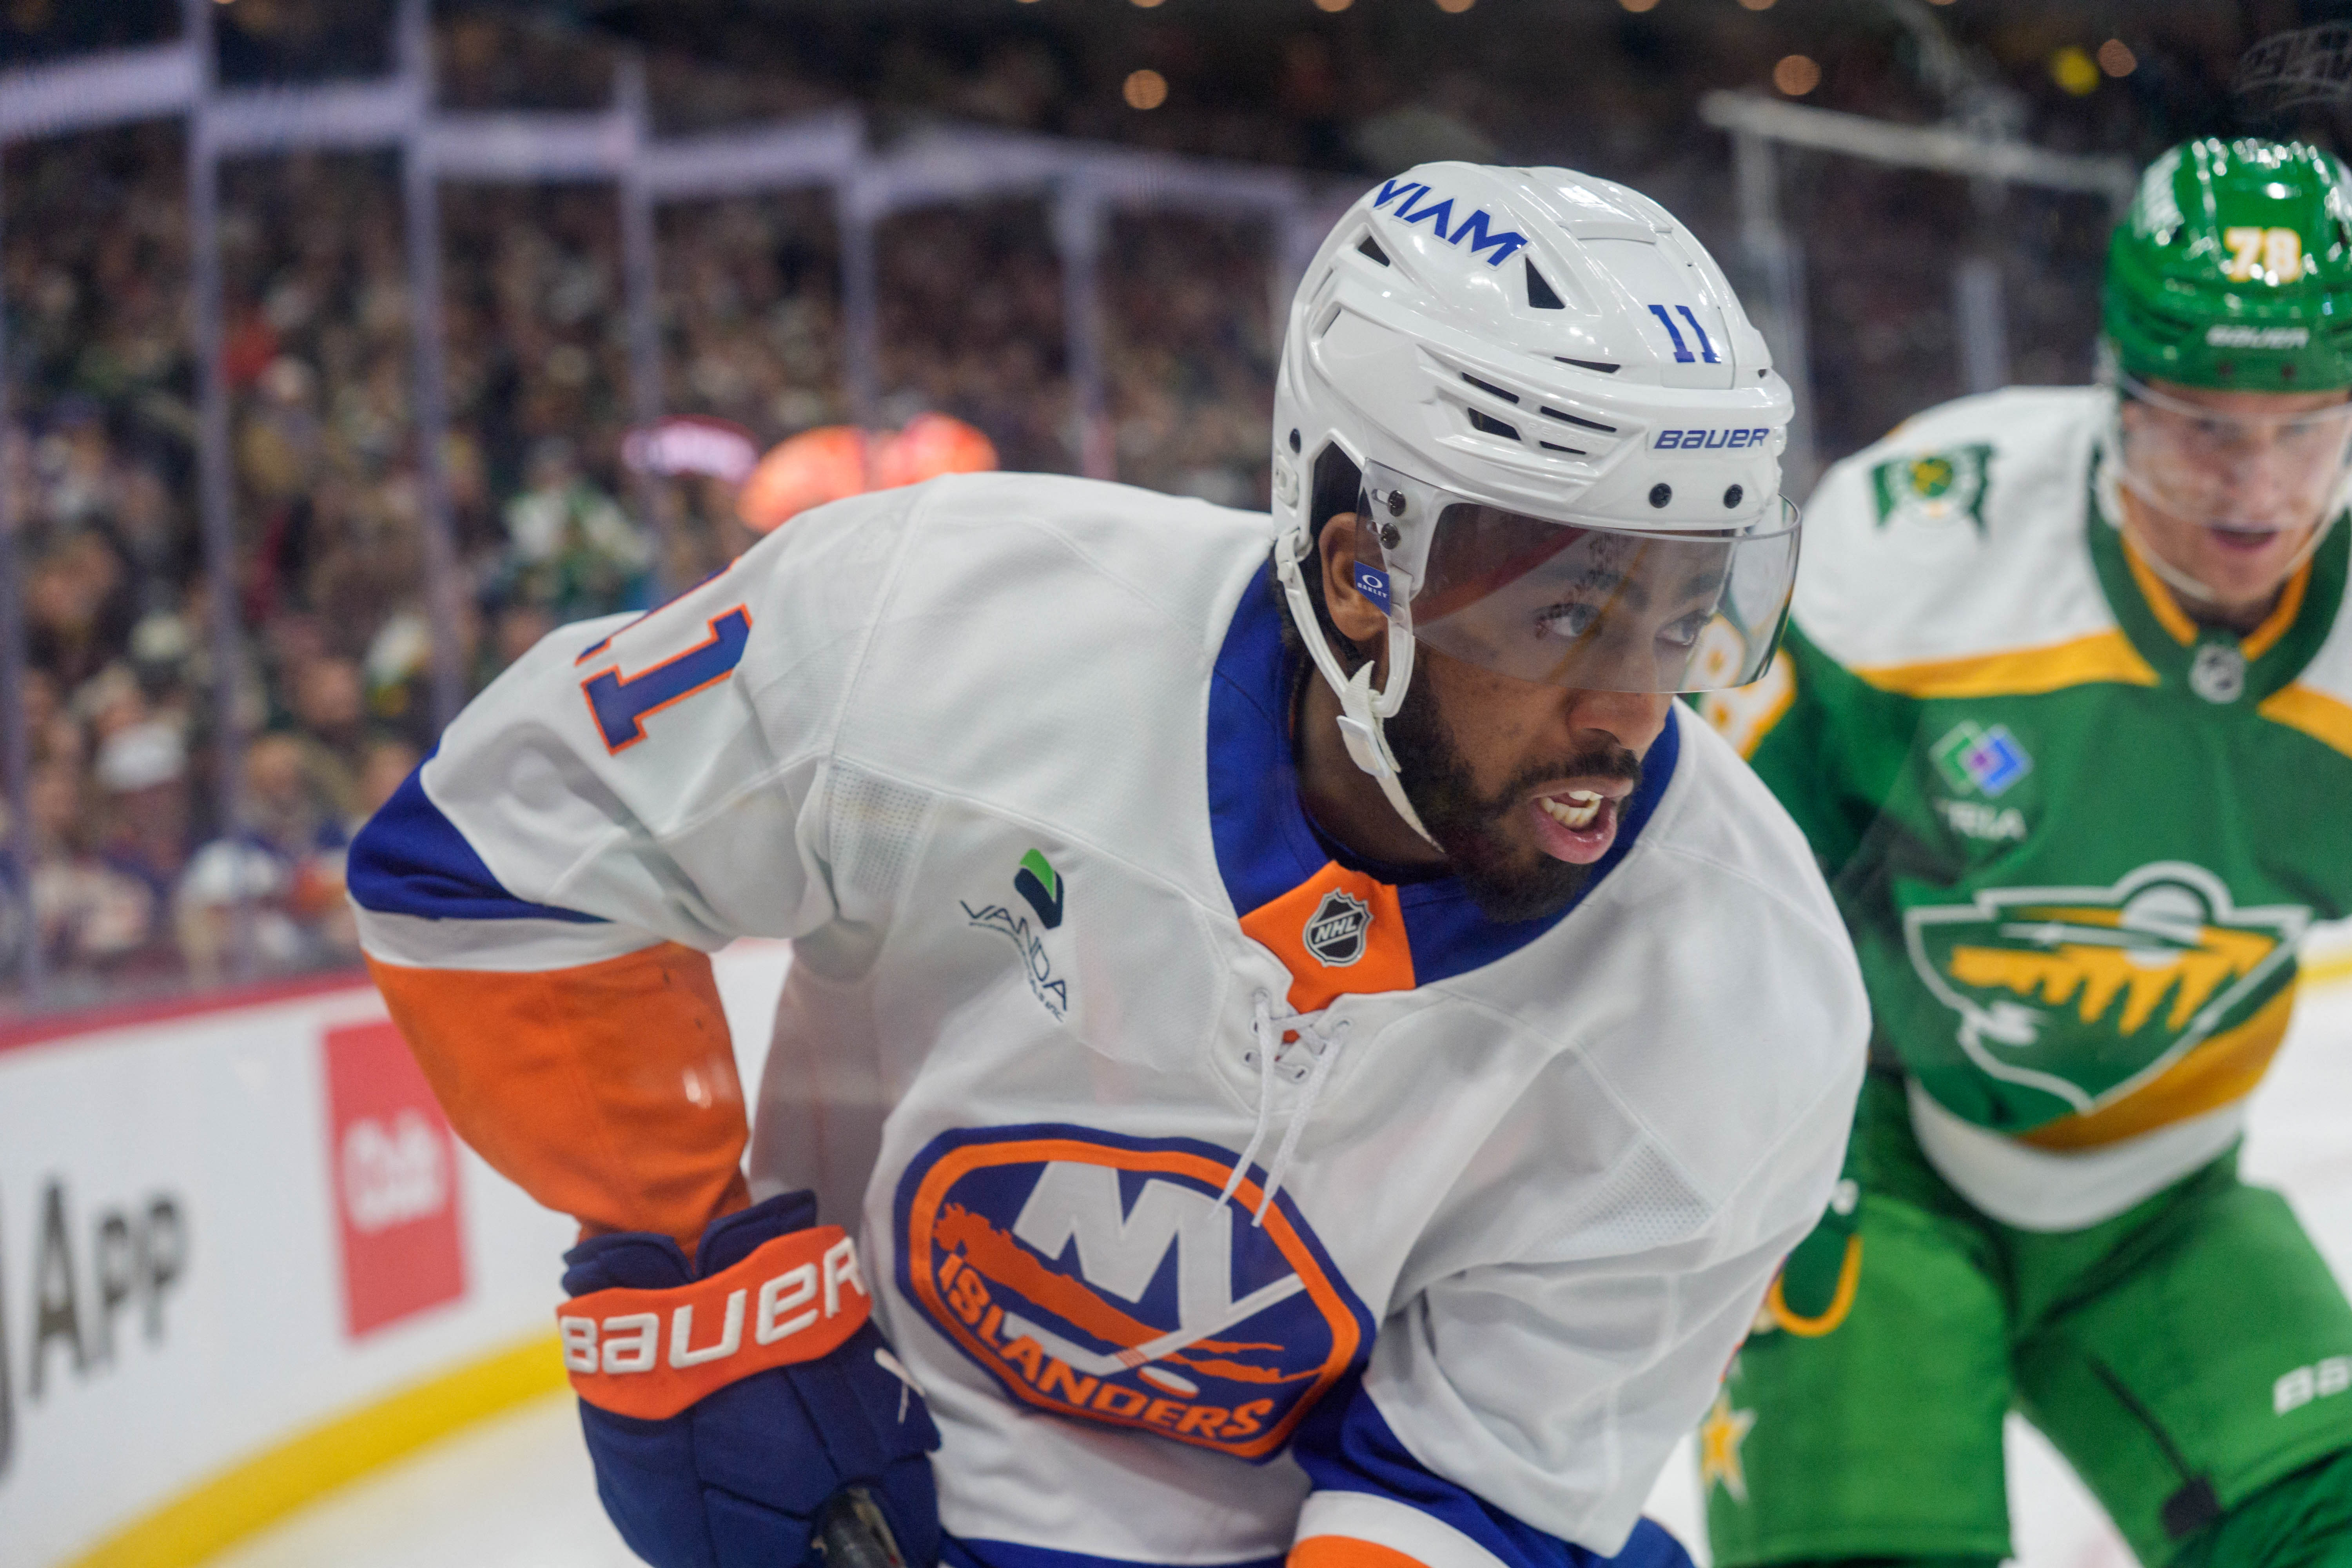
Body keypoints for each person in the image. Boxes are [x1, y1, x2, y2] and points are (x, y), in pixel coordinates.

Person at [348, 161, 1865, 1568]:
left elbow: (1474, 1497)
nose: (1635, 709)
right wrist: (697, 1274)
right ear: (1359, 573)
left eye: (1685, 613)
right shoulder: (943, 622)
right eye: (1563, 615)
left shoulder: (1748, 988)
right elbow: (499, 846)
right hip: (895, 1466)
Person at [1695, 136, 2352, 1568]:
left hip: (2166, 1196)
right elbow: (1704, 864)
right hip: (1866, 1148)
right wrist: (1726, 1160)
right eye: (2203, 426)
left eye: (2305, 428)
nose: (2257, 489)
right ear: (2116, 391)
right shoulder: (1925, 539)